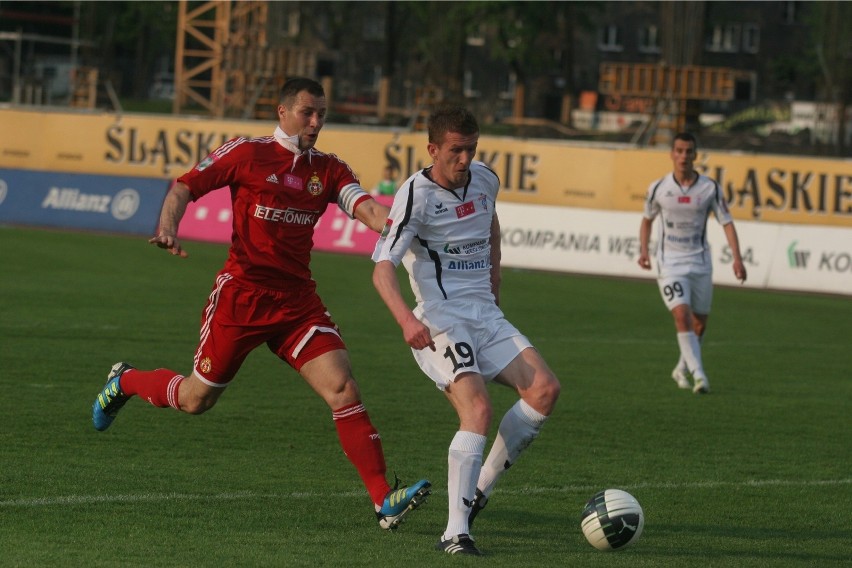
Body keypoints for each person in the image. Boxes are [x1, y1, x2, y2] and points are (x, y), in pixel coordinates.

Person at [91, 77, 430, 530]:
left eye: (322, 114)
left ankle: (383, 499)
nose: (316, 121)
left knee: (343, 388)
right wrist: (169, 226)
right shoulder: (246, 153)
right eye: (308, 112)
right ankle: (126, 381)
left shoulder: (328, 169)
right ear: (283, 112)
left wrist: (399, 229)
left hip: (297, 303)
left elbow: (364, 208)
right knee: (196, 401)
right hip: (242, 298)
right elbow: (184, 187)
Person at [371, 105, 561, 556]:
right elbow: (382, 268)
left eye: (472, 149)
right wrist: (407, 320)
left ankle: (477, 491)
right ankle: (456, 532)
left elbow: (491, 224)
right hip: (441, 317)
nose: (465, 159)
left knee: (545, 390)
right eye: (456, 150)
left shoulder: (486, 179)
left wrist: (495, 277)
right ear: (433, 149)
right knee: (477, 409)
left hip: (485, 313)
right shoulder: (414, 195)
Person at [637, 132, 747, 394]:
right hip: (670, 263)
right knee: (681, 315)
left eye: (689, 151)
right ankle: (700, 375)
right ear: (672, 154)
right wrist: (644, 250)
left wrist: (737, 258)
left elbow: (727, 222)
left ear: (696, 155)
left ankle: (681, 368)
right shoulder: (658, 188)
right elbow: (647, 220)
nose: (684, 156)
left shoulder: (710, 188)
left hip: (700, 263)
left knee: (699, 324)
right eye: (679, 151)